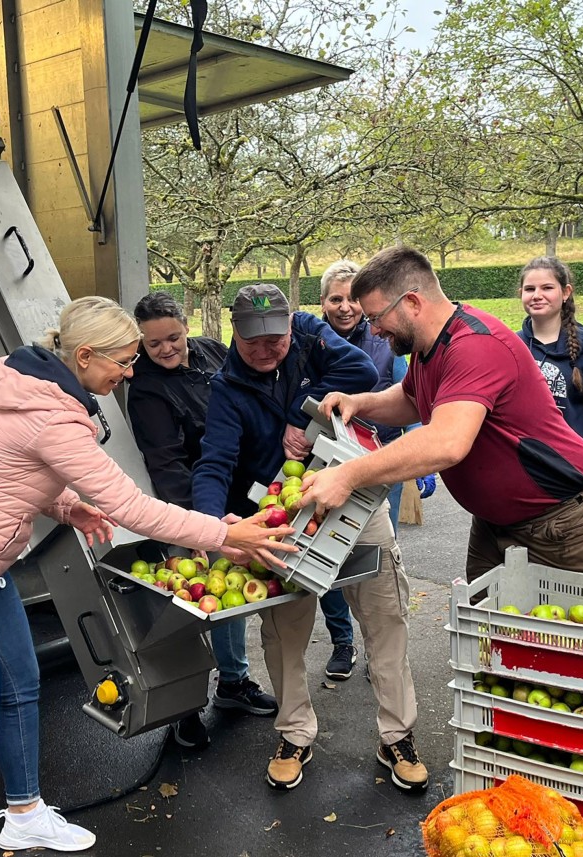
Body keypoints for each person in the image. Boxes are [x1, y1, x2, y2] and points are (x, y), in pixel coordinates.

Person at [0, 295, 296, 857]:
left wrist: (65, 506)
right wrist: (227, 534)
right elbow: (132, 507)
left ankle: (25, 813)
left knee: (21, 691)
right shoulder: (52, 415)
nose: (130, 372)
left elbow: (4, 468)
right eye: (122, 361)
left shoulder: (32, 389)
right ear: (84, 355)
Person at [192, 284, 429, 793]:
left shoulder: (309, 339)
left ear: (290, 326)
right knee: (284, 632)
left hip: (352, 496)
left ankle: (398, 734)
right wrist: (212, 527)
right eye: (252, 339)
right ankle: (294, 732)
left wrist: (304, 413)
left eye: (275, 337)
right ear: (233, 331)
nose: (264, 349)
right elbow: (214, 462)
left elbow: (364, 373)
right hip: (281, 515)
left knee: (385, 613)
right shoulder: (227, 386)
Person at [300, 245, 583, 582]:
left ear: (412, 303)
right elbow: (414, 399)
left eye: (376, 317)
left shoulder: (474, 344)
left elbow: (446, 443)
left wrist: (347, 475)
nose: (373, 330)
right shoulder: (428, 345)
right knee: (486, 628)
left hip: (564, 521)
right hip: (496, 522)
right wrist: (361, 403)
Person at [127, 291, 277, 752]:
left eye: (173, 337)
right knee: (186, 614)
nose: (167, 349)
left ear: (186, 325)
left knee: (228, 597)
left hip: (236, 497)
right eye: (154, 345)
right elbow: (166, 465)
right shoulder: (147, 391)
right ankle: (184, 709)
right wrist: (195, 529)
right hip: (187, 505)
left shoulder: (213, 350)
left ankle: (233, 684)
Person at [318, 260, 436, 681]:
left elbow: (414, 397)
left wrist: (420, 456)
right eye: (336, 298)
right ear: (323, 303)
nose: (346, 307)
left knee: (378, 561)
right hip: (327, 467)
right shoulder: (312, 344)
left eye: (353, 299)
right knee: (326, 558)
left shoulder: (390, 339)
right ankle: (342, 642)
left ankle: (378, 651)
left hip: (383, 463)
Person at [516, 257, 583, 459]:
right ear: (521, 294)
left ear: (565, 292)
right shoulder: (511, 347)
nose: (537, 295)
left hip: (579, 470)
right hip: (529, 467)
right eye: (530, 289)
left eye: (547, 288)